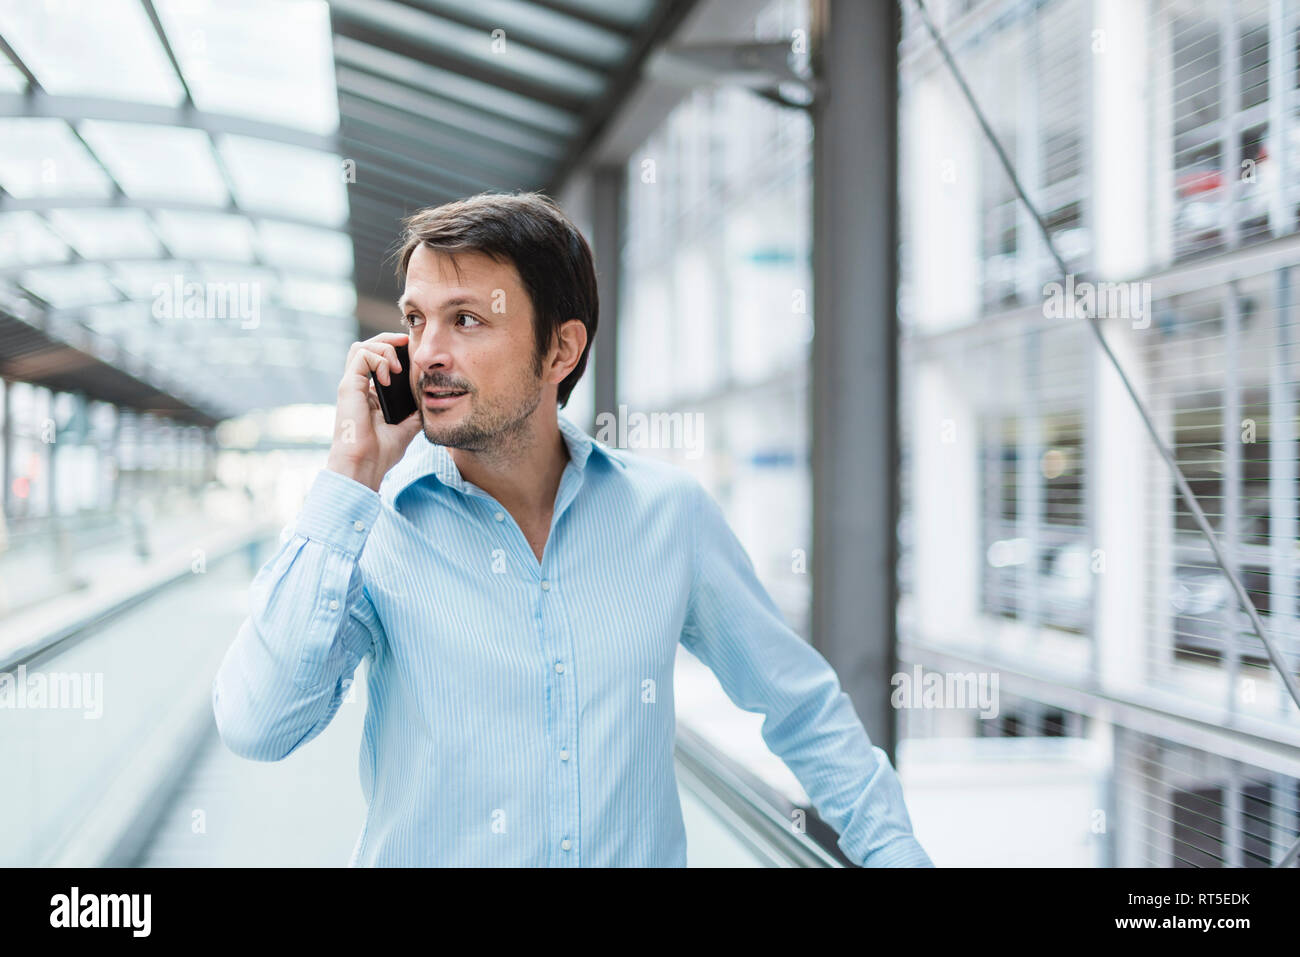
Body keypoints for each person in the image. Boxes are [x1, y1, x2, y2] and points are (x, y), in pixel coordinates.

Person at [211, 191, 932, 868]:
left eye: (466, 319)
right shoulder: (372, 529)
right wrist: (348, 474)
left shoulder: (668, 517)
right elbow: (258, 722)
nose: (427, 351)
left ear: (560, 350)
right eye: (415, 319)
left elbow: (802, 708)